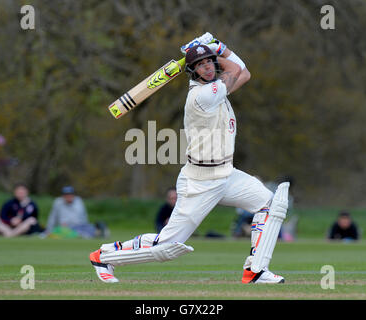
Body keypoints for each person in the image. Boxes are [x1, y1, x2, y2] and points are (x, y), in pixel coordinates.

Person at [89, 33, 290, 284]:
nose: (207, 68)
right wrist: (217, 47)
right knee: (167, 247)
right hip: (200, 182)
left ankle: (256, 270)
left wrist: (215, 48)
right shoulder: (202, 97)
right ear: (192, 71)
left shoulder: (216, 90)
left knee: (271, 205)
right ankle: (104, 255)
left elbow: (245, 73)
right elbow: (236, 67)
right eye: (201, 65)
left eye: (210, 62)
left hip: (226, 174)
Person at [43, 186, 107, 239]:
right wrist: (49, 230)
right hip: (67, 227)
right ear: (63, 196)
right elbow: (53, 217)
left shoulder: (78, 201)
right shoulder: (58, 202)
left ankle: (99, 232)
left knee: (89, 228)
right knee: (71, 232)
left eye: (70, 194)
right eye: (66, 195)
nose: (68, 197)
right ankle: (92, 234)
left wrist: (85, 224)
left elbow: (84, 215)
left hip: (80, 225)